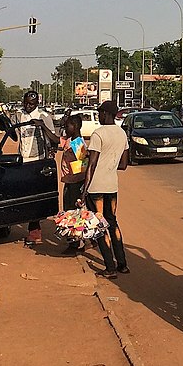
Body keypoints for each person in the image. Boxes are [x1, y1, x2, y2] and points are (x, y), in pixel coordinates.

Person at [82, 100, 130, 278]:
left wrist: (84, 190)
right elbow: (124, 164)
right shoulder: (122, 133)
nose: (99, 116)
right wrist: (109, 165)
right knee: (113, 222)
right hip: (112, 185)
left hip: (96, 187)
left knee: (100, 226)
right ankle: (122, 263)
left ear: (106, 114)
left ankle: (110, 268)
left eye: (100, 113)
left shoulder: (98, 134)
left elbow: (91, 165)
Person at [8, 91, 61, 245]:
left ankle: (34, 232)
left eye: (31, 104)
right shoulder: (18, 115)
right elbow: (14, 135)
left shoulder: (44, 117)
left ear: (37, 103)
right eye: (26, 103)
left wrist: (49, 156)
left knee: (35, 198)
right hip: (22, 161)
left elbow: (53, 139)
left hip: (38, 161)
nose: (28, 106)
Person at [58, 115, 88, 253]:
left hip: (75, 182)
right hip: (70, 181)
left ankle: (75, 243)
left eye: (67, 126)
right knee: (71, 212)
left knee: (73, 213)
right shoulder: (71, 141)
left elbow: (82, 166)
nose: (65, 128)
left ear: (75, 127)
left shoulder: (78, 144)